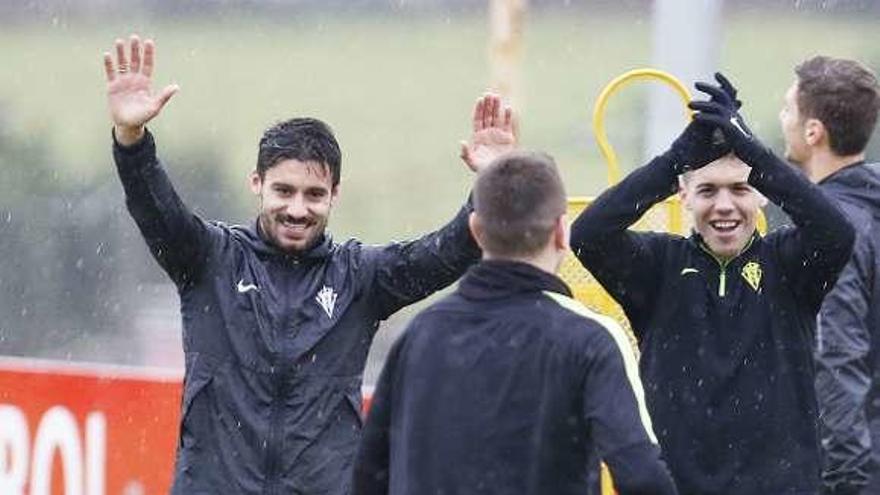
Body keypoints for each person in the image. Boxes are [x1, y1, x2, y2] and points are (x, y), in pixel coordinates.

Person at [103, 34, 516, 494]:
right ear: (257, 183)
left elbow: (447, 251)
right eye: (284, 190)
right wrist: (131, 140)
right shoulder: (209, 259)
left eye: (314, 194)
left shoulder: (360, 276)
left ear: (335, 195)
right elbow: (155, 209)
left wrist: (492, 182)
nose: (298, 209)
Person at [569, 74, 855, 495]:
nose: (724, 205)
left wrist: (758, 156)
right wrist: (673, 162)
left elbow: (837, 233)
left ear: (760, 195)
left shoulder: (789, 265)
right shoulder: (657, 266)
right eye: (707, 190)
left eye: (739, 188)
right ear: (683, 197)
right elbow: (588, 235)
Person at [353, 151, 679, 495]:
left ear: (476, 231)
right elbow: (642, 477)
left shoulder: (421, 333)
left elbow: (370, 472)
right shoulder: (590, 340)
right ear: (561, 232)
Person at [779, 55, 880, 495]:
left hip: (858, 465)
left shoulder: (833, 230)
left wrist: (845, 481)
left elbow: (836, 353)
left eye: (788, 109)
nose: (782, 119)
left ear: (813, 131)